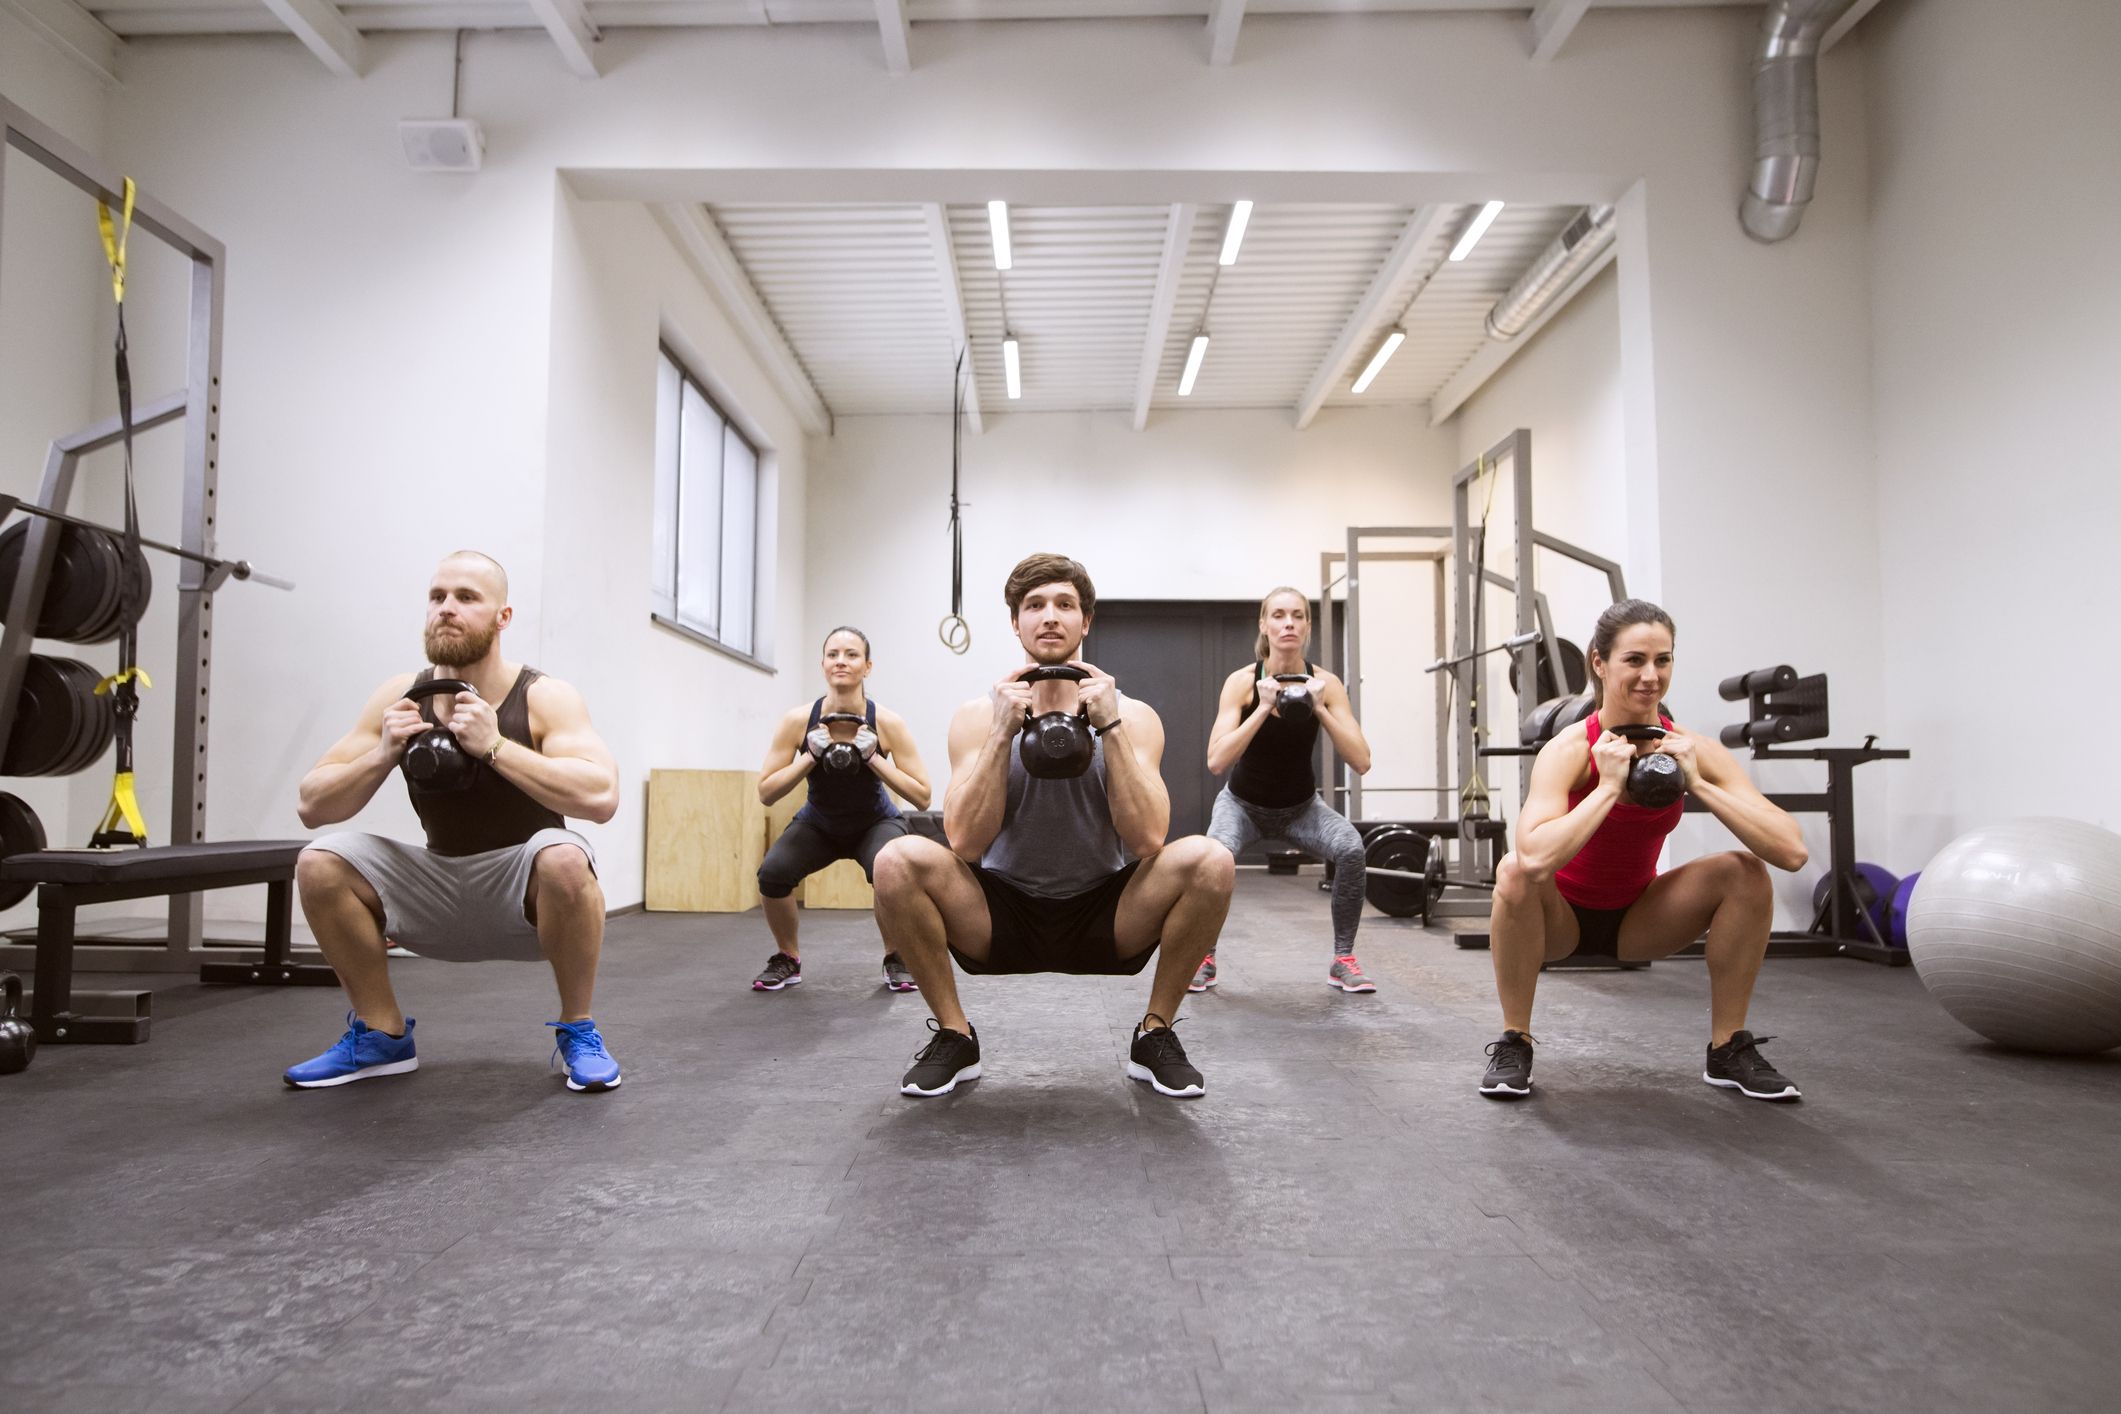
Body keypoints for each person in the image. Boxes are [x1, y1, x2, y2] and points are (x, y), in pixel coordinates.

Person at [869, 553, 1236, 1099]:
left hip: (1105, 913)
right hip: (1000, 912)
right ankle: (954, 1034)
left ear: (1086, 622)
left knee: (1212, 860)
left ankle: (1155, 1033)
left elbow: (1148, 841)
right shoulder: (977, 716)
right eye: (1034, 605)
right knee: (895, 861)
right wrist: (1000, 734)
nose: (1049, 616)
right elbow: (965, 844)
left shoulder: (1133, 716)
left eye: (1065, 605)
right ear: (1015, 622)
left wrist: (1108, 725)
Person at [284, 551, 623, 1093]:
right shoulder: (400, 696)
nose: (447, 609)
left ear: (502, 618)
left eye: (467, 598)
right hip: (437, 888)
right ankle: (381, 1035)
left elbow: (601, 797)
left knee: (563, 853)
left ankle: (578, 1029)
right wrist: (382, 754)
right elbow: (311, 805)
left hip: (523, 895)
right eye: (438, 597)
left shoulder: (544, 696)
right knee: (320, 861)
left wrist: (494, 746)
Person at [1479, 599, 1810, 1102]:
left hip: (1641, 921)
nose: (1650, 676)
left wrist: (1698, 781)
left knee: (1744, 871)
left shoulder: (1691, 748)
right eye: (1634, 660)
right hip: (1556, 924)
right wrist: (1607, 788)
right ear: (1599, 663)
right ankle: (1514, 1041)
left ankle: (1727, 1049)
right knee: (1514, 870)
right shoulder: (1569, 750)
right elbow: (1535, 858)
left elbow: (1790, 851)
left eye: (1663, 660)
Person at [1200, 586, 1375, 993]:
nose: (1288, 623)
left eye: (1297, 615)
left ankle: (1343, 959)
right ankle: (1202, 956)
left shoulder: (1325, 684)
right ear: (1264, 624)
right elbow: (1216, 761)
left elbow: (1361, 760)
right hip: (1241, 806)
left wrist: (1318, 708)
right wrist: (1262, 707)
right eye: (1278, 615)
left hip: (1301, 808)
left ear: (1308, 626)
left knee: (1350, 849)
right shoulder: (1243, 683)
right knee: (1212, 860)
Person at [751, 626, 933, 992]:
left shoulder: (887, 723)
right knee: (772, 874)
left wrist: (874, 758)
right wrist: (808, 757)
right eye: (833, 654)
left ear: (867, 666)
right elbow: (766, 793)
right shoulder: (798, 721)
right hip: (819, 823)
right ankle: (788, 957)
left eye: (851, 655)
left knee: (889, 872)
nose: (841, 661)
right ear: (822, 664)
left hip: (876, 822)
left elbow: (923, 796)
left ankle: (896, 956)